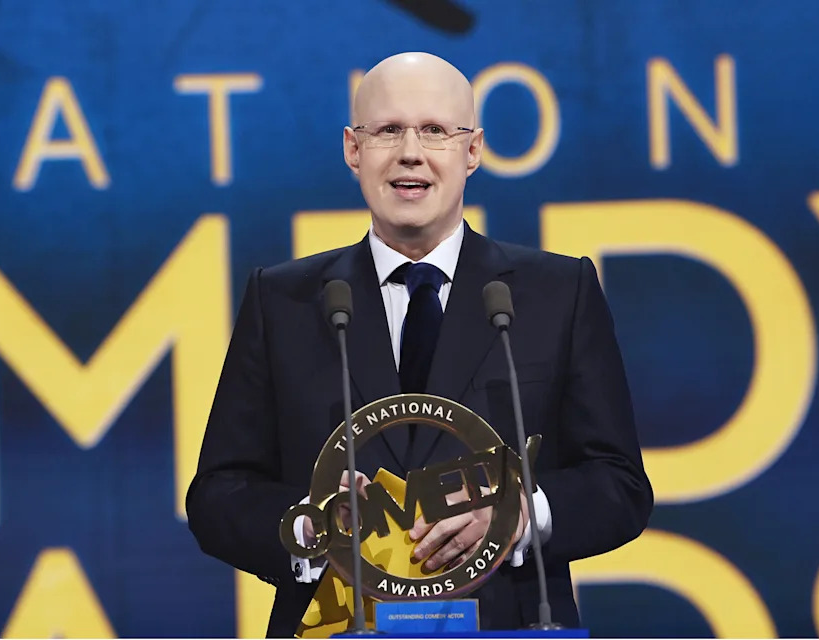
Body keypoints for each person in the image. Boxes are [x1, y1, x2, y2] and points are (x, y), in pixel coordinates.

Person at [186, 51, 653, 636]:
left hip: (502, 623)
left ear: (472, 150)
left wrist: (518, 515)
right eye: (388, 130)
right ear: (353, 149)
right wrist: (311, 526)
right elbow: (219, 494)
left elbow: (619, 484)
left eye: (434, 130)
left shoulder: (558, 292)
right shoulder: (284, 301)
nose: (411, 152)